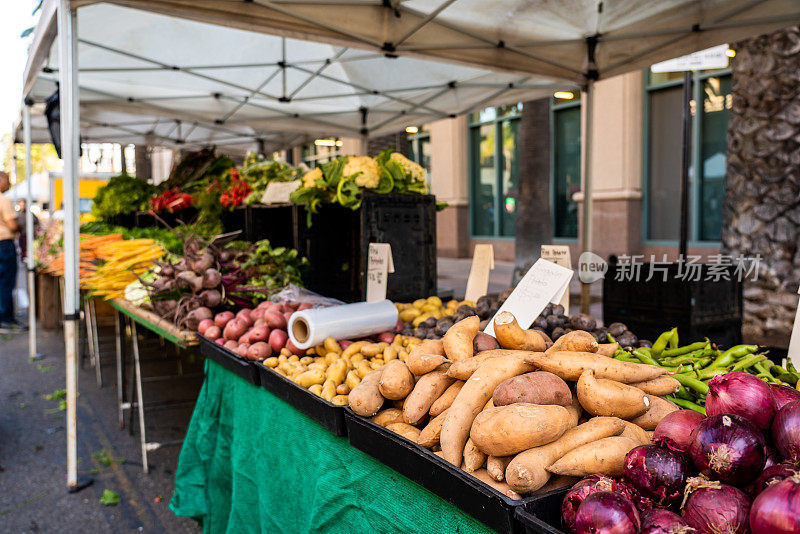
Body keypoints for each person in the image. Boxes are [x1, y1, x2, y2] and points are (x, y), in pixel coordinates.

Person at [0, 172, 25, 333]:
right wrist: (20, 227)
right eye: (7, 180)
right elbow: (12, 225)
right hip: (3, 245)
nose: (9, 183)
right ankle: (5, 320)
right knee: (6, 283)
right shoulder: (3, 200)